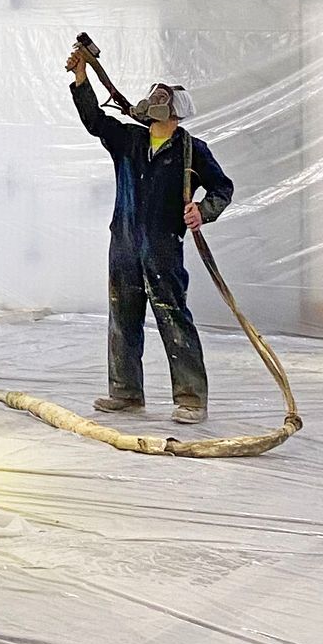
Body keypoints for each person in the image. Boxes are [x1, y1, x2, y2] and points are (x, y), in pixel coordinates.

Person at [65, 41, 234, 425]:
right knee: (122, 318)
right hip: (123, 246)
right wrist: (81, 78)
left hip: (163, 249)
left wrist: (202, 211)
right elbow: (95, 121)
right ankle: (125, 393)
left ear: (174, 113)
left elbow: (223, 187)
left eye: (162, 102)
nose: (155, 106)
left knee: (173, 318)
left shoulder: (192, 150)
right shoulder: (129, 141)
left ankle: (191, 398)